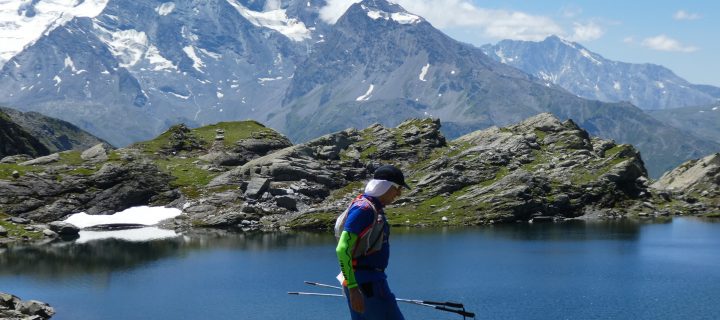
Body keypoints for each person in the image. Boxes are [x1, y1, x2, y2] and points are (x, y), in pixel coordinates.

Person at [335, 165, 410, 320]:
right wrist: (353, 288)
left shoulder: (370, 207)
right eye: (398, 188)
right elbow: (342, 249)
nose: (399, 193)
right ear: (386, 186)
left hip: (370, 281)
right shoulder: (364, 210)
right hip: (366, 284)